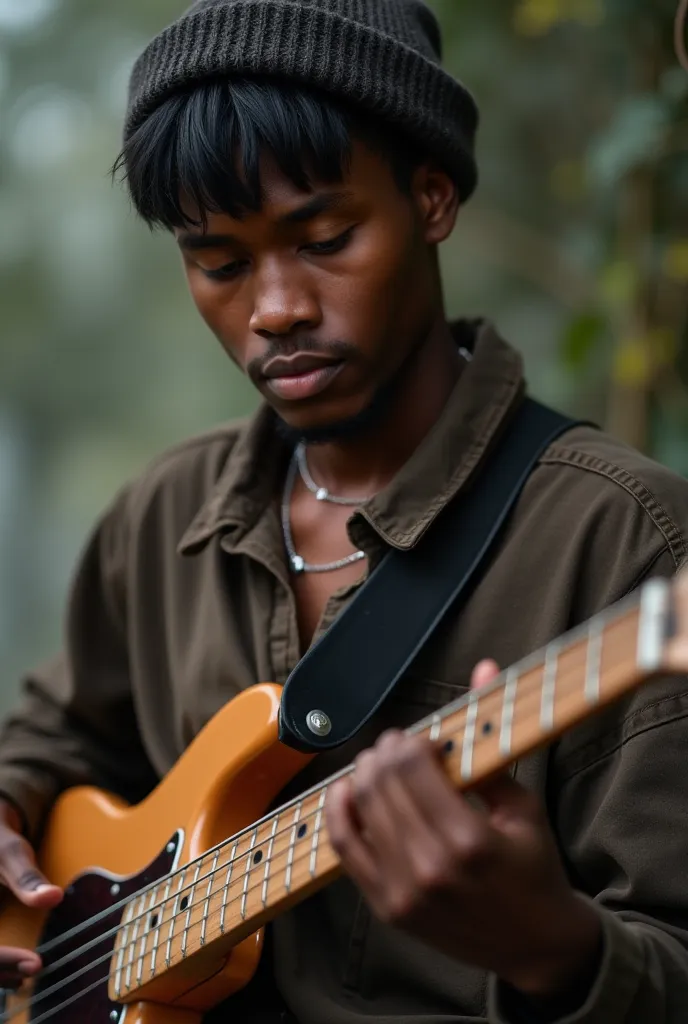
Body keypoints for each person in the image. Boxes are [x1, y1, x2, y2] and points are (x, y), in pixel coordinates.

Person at [0, 1, 687, 1021]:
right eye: (219, 263)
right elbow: (57, 734)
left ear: (433, 196)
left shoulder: (629, 538)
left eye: (323, 237)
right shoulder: (161, 515)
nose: (274, 306)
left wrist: (553, 948)